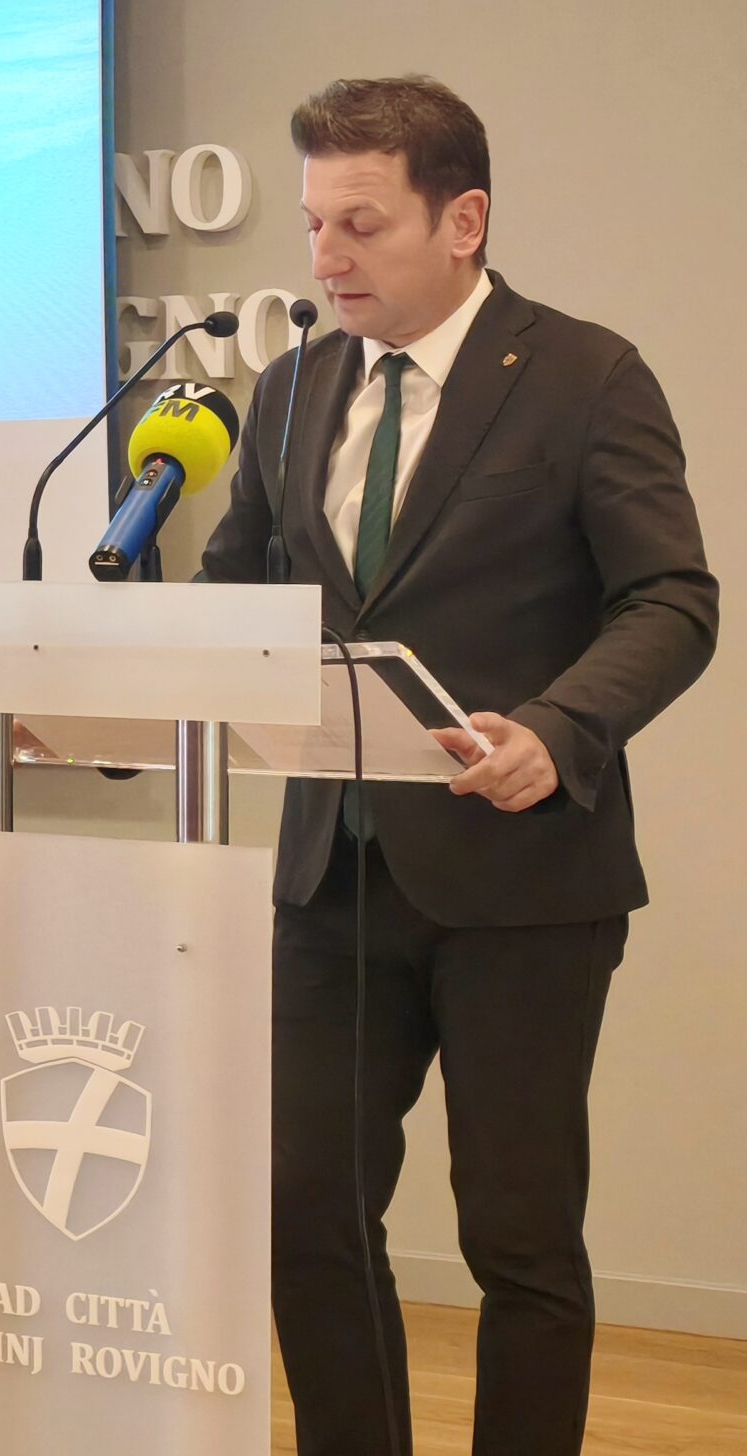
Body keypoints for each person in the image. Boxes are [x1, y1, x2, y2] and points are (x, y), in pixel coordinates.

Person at [199, 76, 716, 1456]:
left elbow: (671, 599)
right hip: (330, 880)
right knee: (306, 1213)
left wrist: (558, 727)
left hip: (522, 882)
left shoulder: (585, 376)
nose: (325, 256)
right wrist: (105, 693)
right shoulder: (289, 389)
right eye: (314, 223)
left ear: (464, 220)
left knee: (517, 1236)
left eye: (360, 223)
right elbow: (232, 595)